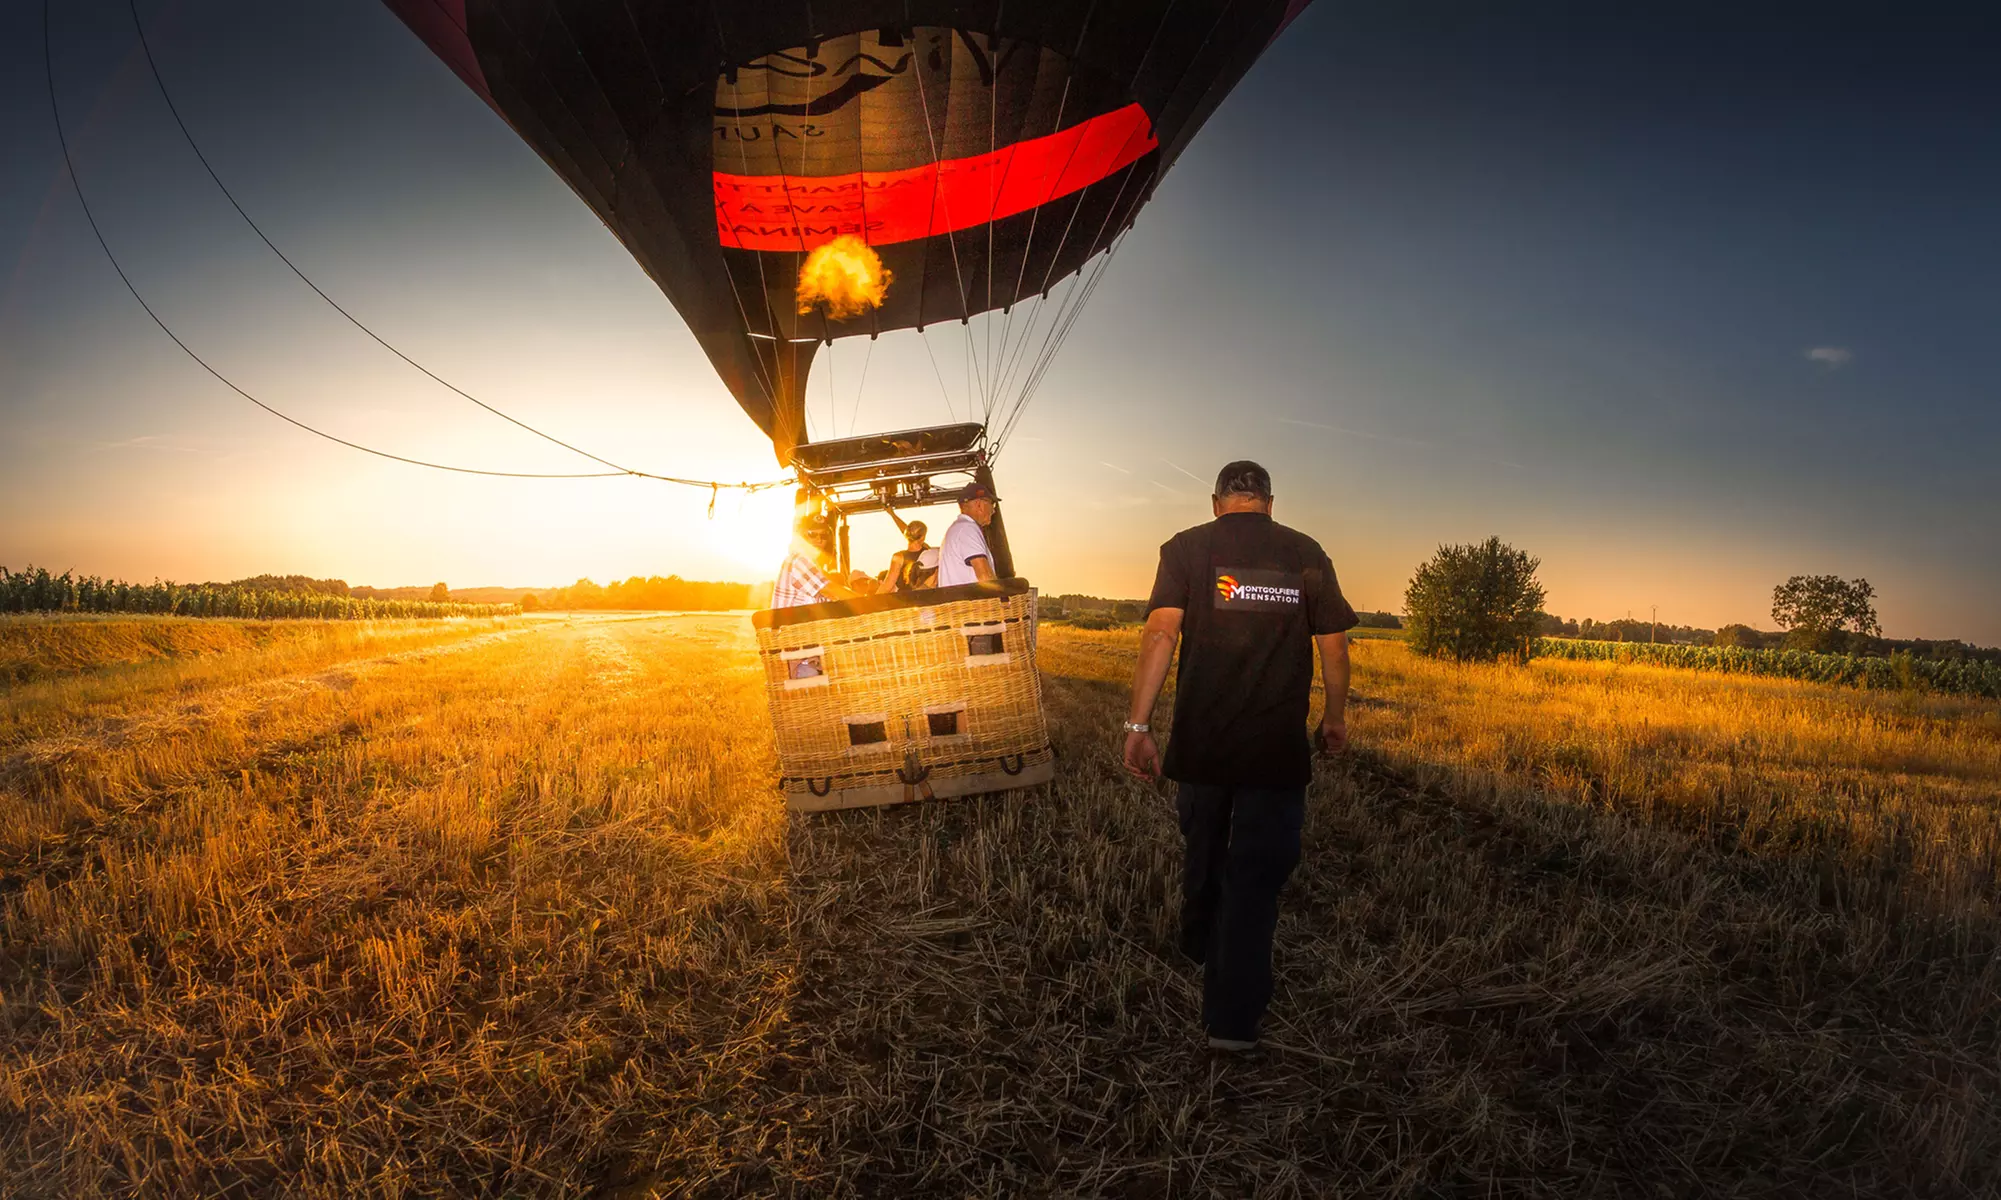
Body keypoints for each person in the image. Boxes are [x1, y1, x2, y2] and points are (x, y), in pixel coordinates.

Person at [1121, 460, 1357, 1053]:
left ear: (1216, 501)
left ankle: (1202, 948)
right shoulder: (1305, 551)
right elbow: (1334, 646)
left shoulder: (1185, 549)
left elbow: (1159, 635)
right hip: (1274, 752)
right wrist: (1333, 718)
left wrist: (1138, 723)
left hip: (1201, 746)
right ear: (1270, 503)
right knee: (1253, 879)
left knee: (1203, 852)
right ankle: (1233, 1021)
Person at [772, 512, 858, 608]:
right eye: (812, 534)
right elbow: (830, 589)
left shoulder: (816, 568)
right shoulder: (798, 560)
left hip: (803, 621)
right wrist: (867, 603)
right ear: (802, 536)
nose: (819, 539)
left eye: (824, 535)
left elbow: (833, 596)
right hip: (788, 622)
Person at [936, 482, 1001, 587]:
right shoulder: (967, 529)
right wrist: (1004, 600)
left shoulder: (959, 528)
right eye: (992, 504)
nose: (993, 510)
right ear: (979, 504)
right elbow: (985, 577)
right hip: (972, 603)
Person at [879, 517, 940, 592]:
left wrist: (871, 601)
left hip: (906, 600)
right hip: (927, 597)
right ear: (923, 537)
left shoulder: (899, 557)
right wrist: (892, 514)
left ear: (906, 534)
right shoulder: (928, 552)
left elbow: (887, 585)